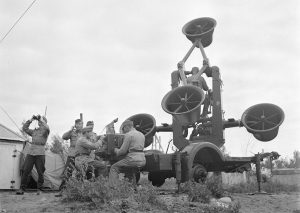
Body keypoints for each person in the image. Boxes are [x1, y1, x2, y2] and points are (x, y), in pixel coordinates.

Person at [16, 115, 50, 195]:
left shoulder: (46, 131)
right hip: (31, 152)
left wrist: (41, 119)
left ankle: (39, 189)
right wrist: (30, 120)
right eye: (38, 121)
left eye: (41, 121)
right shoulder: (34, 131)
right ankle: (22, 188)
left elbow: (47, 127)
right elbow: (24, 128)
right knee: (26, 170)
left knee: (40, 172)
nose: (39, 122)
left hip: (40, 153)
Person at [109, 120, 146, 186]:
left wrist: (115, 150)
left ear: (126, 127)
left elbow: (122, 151)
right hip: (142, 160)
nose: (123, 131)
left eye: (123, 129)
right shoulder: (141, 134)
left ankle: (113, 188)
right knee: (129, 170)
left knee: (114, 167)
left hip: (133, 159)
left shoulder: (128, 135)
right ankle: (133, 189)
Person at [55, 119, 83, 196]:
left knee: (81, 173)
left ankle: (80, 191)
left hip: (80, 156)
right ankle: (62, 191)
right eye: (78, 124)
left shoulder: (84, 134)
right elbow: (64, 137)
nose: (80, 126)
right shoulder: (72, 133)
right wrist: (70, 130)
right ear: (75, 125)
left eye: (81, 124)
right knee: (67, 173)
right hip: (72, 155)